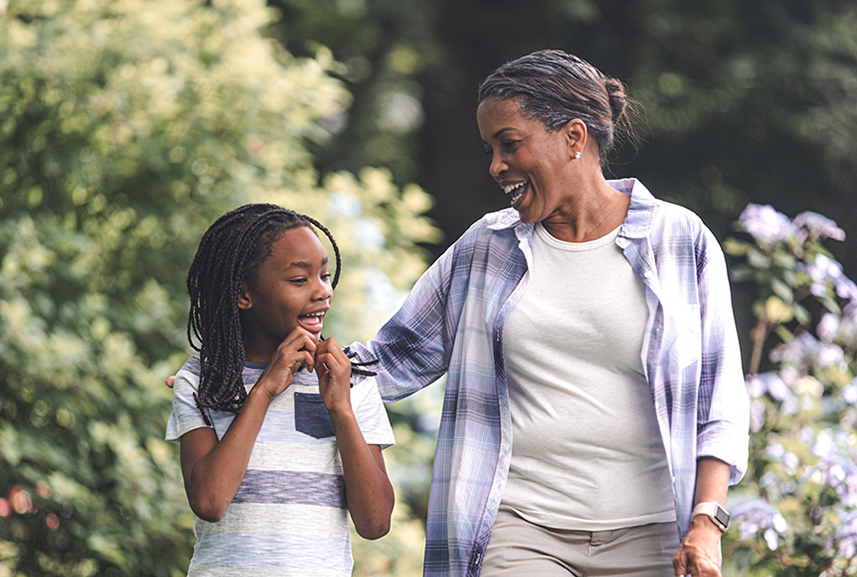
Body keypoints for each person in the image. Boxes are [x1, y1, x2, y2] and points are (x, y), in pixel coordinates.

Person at [346, 49, 749, 577]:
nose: (496, 166)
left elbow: (720, 401)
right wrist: (269, 370)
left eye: (509, 144)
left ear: (574, 137)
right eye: (490, 149)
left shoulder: (680, 241)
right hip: (519, 527)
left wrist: (706, 521)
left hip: (653, 532)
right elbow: (390, 360)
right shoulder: (485, 249)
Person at [164, 204, 395, 577]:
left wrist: (341, 409)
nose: (323, 291)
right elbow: (209, 500)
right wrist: (264, 390)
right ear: (244, 294)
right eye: (299, 280)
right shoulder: (201, 381)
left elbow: (375, 523)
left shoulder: (349, 380)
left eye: (324, 275)